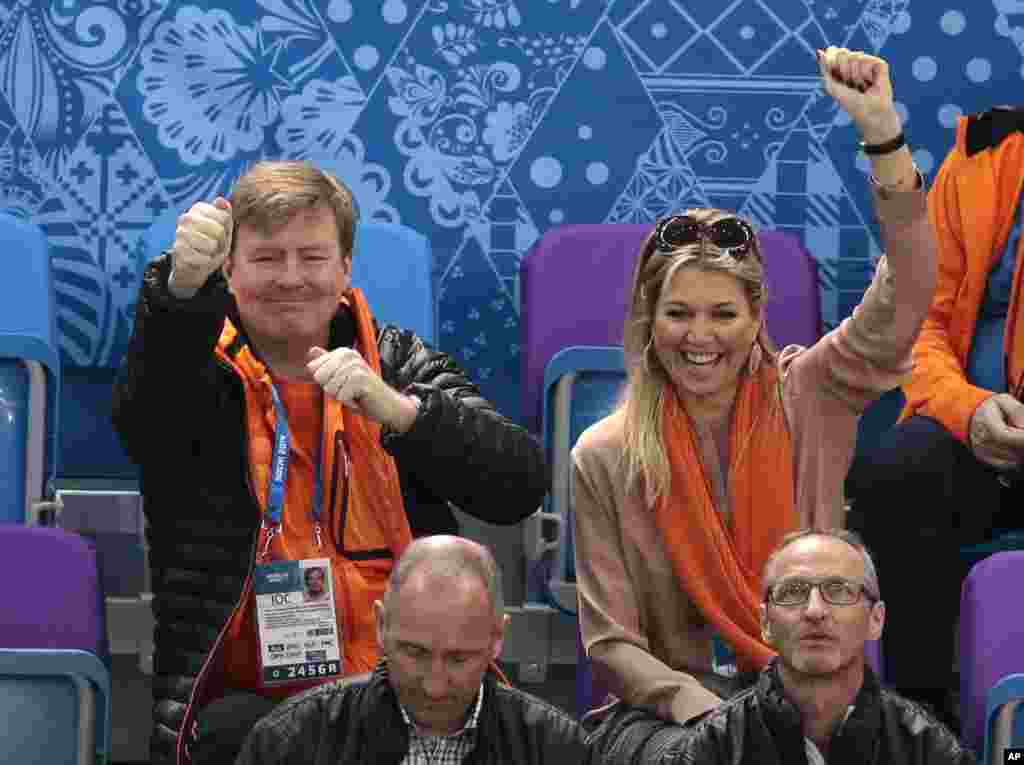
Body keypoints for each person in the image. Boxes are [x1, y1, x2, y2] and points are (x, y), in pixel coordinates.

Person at [112, 161, 549, 765]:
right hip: (250, 701)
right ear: (230, 270)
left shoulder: (398, 363)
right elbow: (144, 421)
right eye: (267, 258)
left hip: (419, 687)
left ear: (345, 268)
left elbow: (519, 486)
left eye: (312, 257)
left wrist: (402, 414)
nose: (290, 278)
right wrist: (181, 288)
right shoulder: (193, 371)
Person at [571, 47, 937, 727]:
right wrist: (712, 717)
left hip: (813, 696)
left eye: (723, 313)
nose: (699, 336)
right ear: (648, 323)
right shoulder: (604, 453)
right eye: (678, 313)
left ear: (757, 316)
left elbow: (911, 289)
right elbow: (611, 643)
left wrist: (882, 135)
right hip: (673, 717)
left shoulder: (814, 395)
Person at [846, 105, 1024, 730]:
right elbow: (922, 318)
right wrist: (968, 410)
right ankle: (921, 723)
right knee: (896, 472)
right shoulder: (984, 158)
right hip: (979, 437)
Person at [586, 530, 976, 765]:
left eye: (839, 591)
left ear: (876, 619)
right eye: (792, 593)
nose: (815, 611)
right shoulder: (716, 746)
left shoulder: (925, 747)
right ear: (766, 624)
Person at [235, 535, 590, 764]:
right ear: (381, 626)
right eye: (414, 653)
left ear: (498, 637)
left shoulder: (558, 751)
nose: (434, 686)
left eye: (458, 658)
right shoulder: (292, 742)